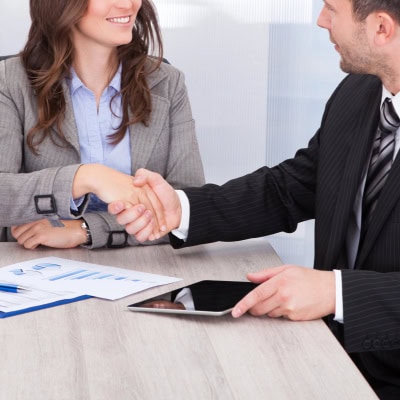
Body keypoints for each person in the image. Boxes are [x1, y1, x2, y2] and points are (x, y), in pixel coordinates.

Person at [108, 0, 400, 397]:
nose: (320, 20)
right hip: (326, 356)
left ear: (382, 28)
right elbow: (291, 188)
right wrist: (183, 209)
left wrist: (337, 293)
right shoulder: (359, 93)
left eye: (331, 9)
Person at [0, 0, 204, 249]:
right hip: (39, 269)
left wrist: (87, 229)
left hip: (146, 271)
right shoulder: (10, 81)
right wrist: (87, 177)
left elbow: (186, 208)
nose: (128, 4)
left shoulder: (167, 83)